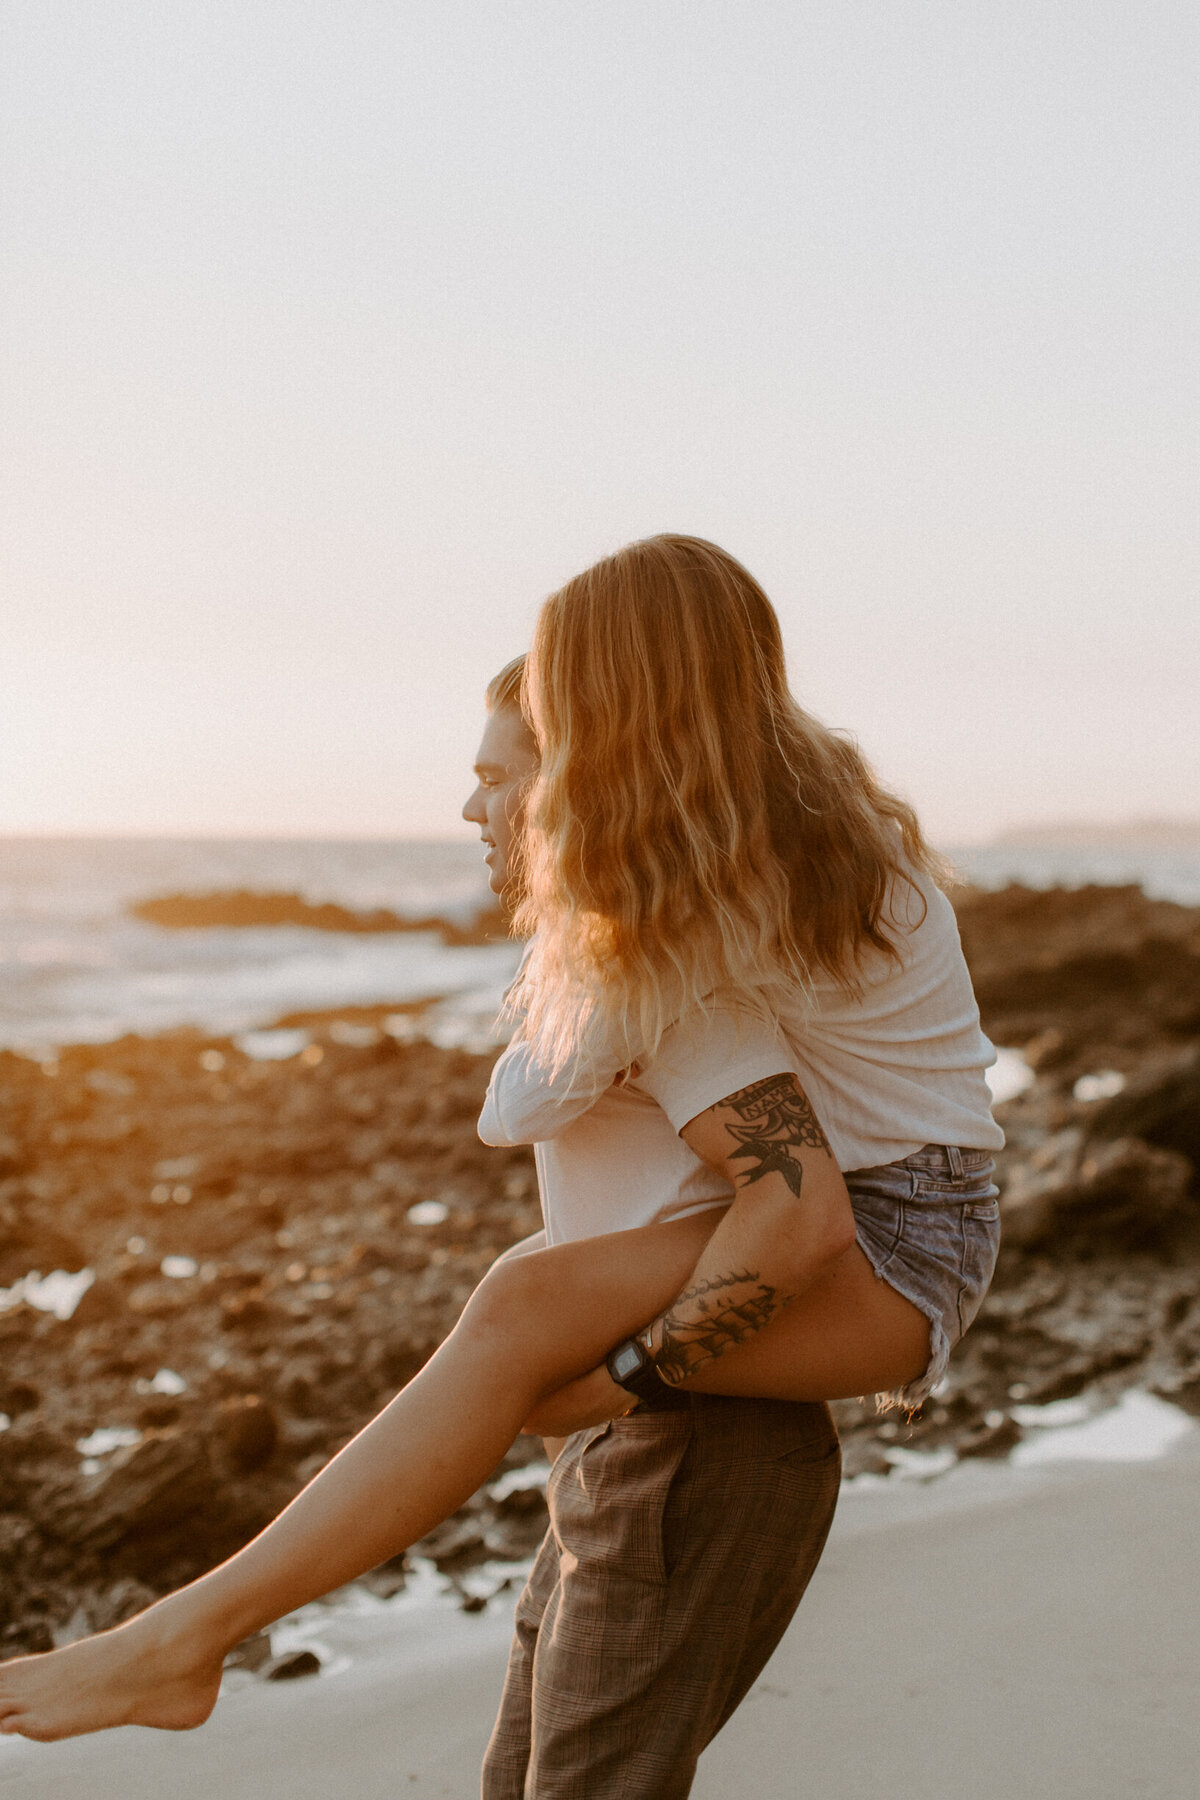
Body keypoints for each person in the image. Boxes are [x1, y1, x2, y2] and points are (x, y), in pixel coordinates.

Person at [0, 536, 1002, 1797]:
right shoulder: (753, 869)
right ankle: (181, 1638)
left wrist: (617, 1381)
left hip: (867, 1272)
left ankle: (180, 1637)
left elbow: (800, 1215)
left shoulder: (696, 923)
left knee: (523, 1310)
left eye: (503, 771)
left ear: (609, 730)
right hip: (819, 1305)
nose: (470, 810)